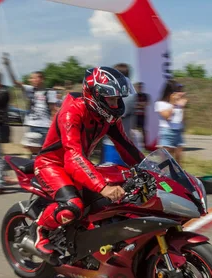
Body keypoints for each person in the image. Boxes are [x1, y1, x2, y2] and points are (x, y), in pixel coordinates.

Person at [30, 66, 145, 255]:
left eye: (118, 99)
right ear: (94, 95)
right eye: (111, 99)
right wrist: (103, 187)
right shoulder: (71, 113)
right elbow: (72, 155)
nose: (116, 104)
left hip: (79, 164)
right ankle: (40, 229)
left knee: (118, 198)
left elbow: (126, 146)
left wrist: (151, 169)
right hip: (52, 165)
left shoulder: (108, 116)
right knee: (72, 207)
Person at [3, 53, 57, 156]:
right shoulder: (30, 90)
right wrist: (8, 66)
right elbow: (15, 83)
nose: (31, 80)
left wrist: (52, 126)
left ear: (41, 79)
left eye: (33, 78)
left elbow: (53, 109)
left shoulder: (49, 92)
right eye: (31, 78)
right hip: (32, 124)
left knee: (46, 151)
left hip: (45, 126)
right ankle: (34, 167)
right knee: (33, 151)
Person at [155, 80, 186, 164]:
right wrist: (173, 103)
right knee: (165, 159)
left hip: (178, 131)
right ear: (170, 93)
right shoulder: (160, 103)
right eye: (177, 91)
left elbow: (181, 119)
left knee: (178, 158)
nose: (179, 94)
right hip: (167, 131)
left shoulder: (178, 104)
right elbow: (167, 117)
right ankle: (163, 175)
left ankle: (177, 176)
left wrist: (182, 107)